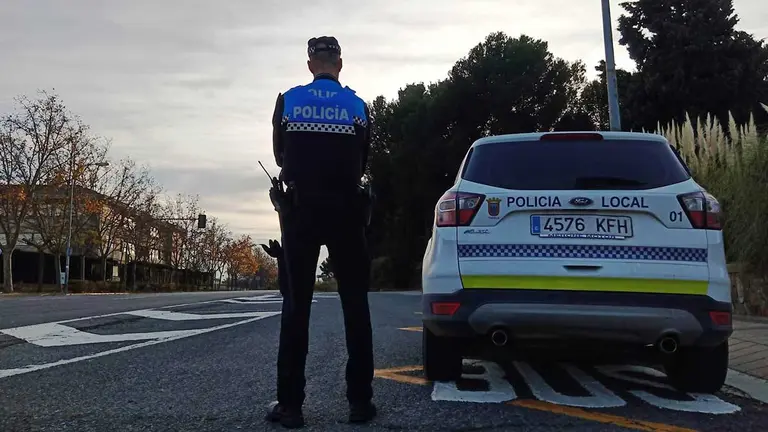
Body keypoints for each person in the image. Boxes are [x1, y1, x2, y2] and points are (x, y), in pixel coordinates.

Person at [264, 36, 376, 429]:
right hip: (346, 210)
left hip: (302, 211)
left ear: (311, 64)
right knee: (355, 306)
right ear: (339, 64)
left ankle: (291, 406)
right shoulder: (358, 106)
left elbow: (280, 155)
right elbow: (363, 158)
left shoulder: (289, 101)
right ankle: (360, 404)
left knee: (296, 307)